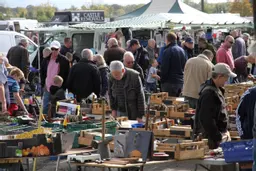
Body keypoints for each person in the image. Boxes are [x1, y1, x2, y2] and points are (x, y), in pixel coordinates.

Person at [194, 63, 237, 150]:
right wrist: (217, 136)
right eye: (226, 77)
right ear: (219, 76)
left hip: (216, 136)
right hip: (211, 138)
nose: (227, 80)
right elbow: (206, 119)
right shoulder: (209, 94)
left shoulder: (216, 89)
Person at [41, 40, 70, 114]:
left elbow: (67, 74)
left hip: (59, 87)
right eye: (52, 49)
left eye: (56, 49)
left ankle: (59, 121)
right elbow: (42, 73)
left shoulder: (64, 60)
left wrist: (64, 86)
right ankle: (44, 120)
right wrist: (42, 84)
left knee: (60, 107)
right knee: (46, 106)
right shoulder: (46, 59)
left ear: (59, 49)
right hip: (48, 86)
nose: (54, 51)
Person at [160, 32, 187, 97]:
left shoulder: (167, 51)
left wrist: (162, 80)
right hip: (180, 82)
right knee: (178, 104)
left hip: (169, 82)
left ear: (167, 40)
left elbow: (164, 68)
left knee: (168, 104)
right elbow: (185, 65)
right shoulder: (182, 50)